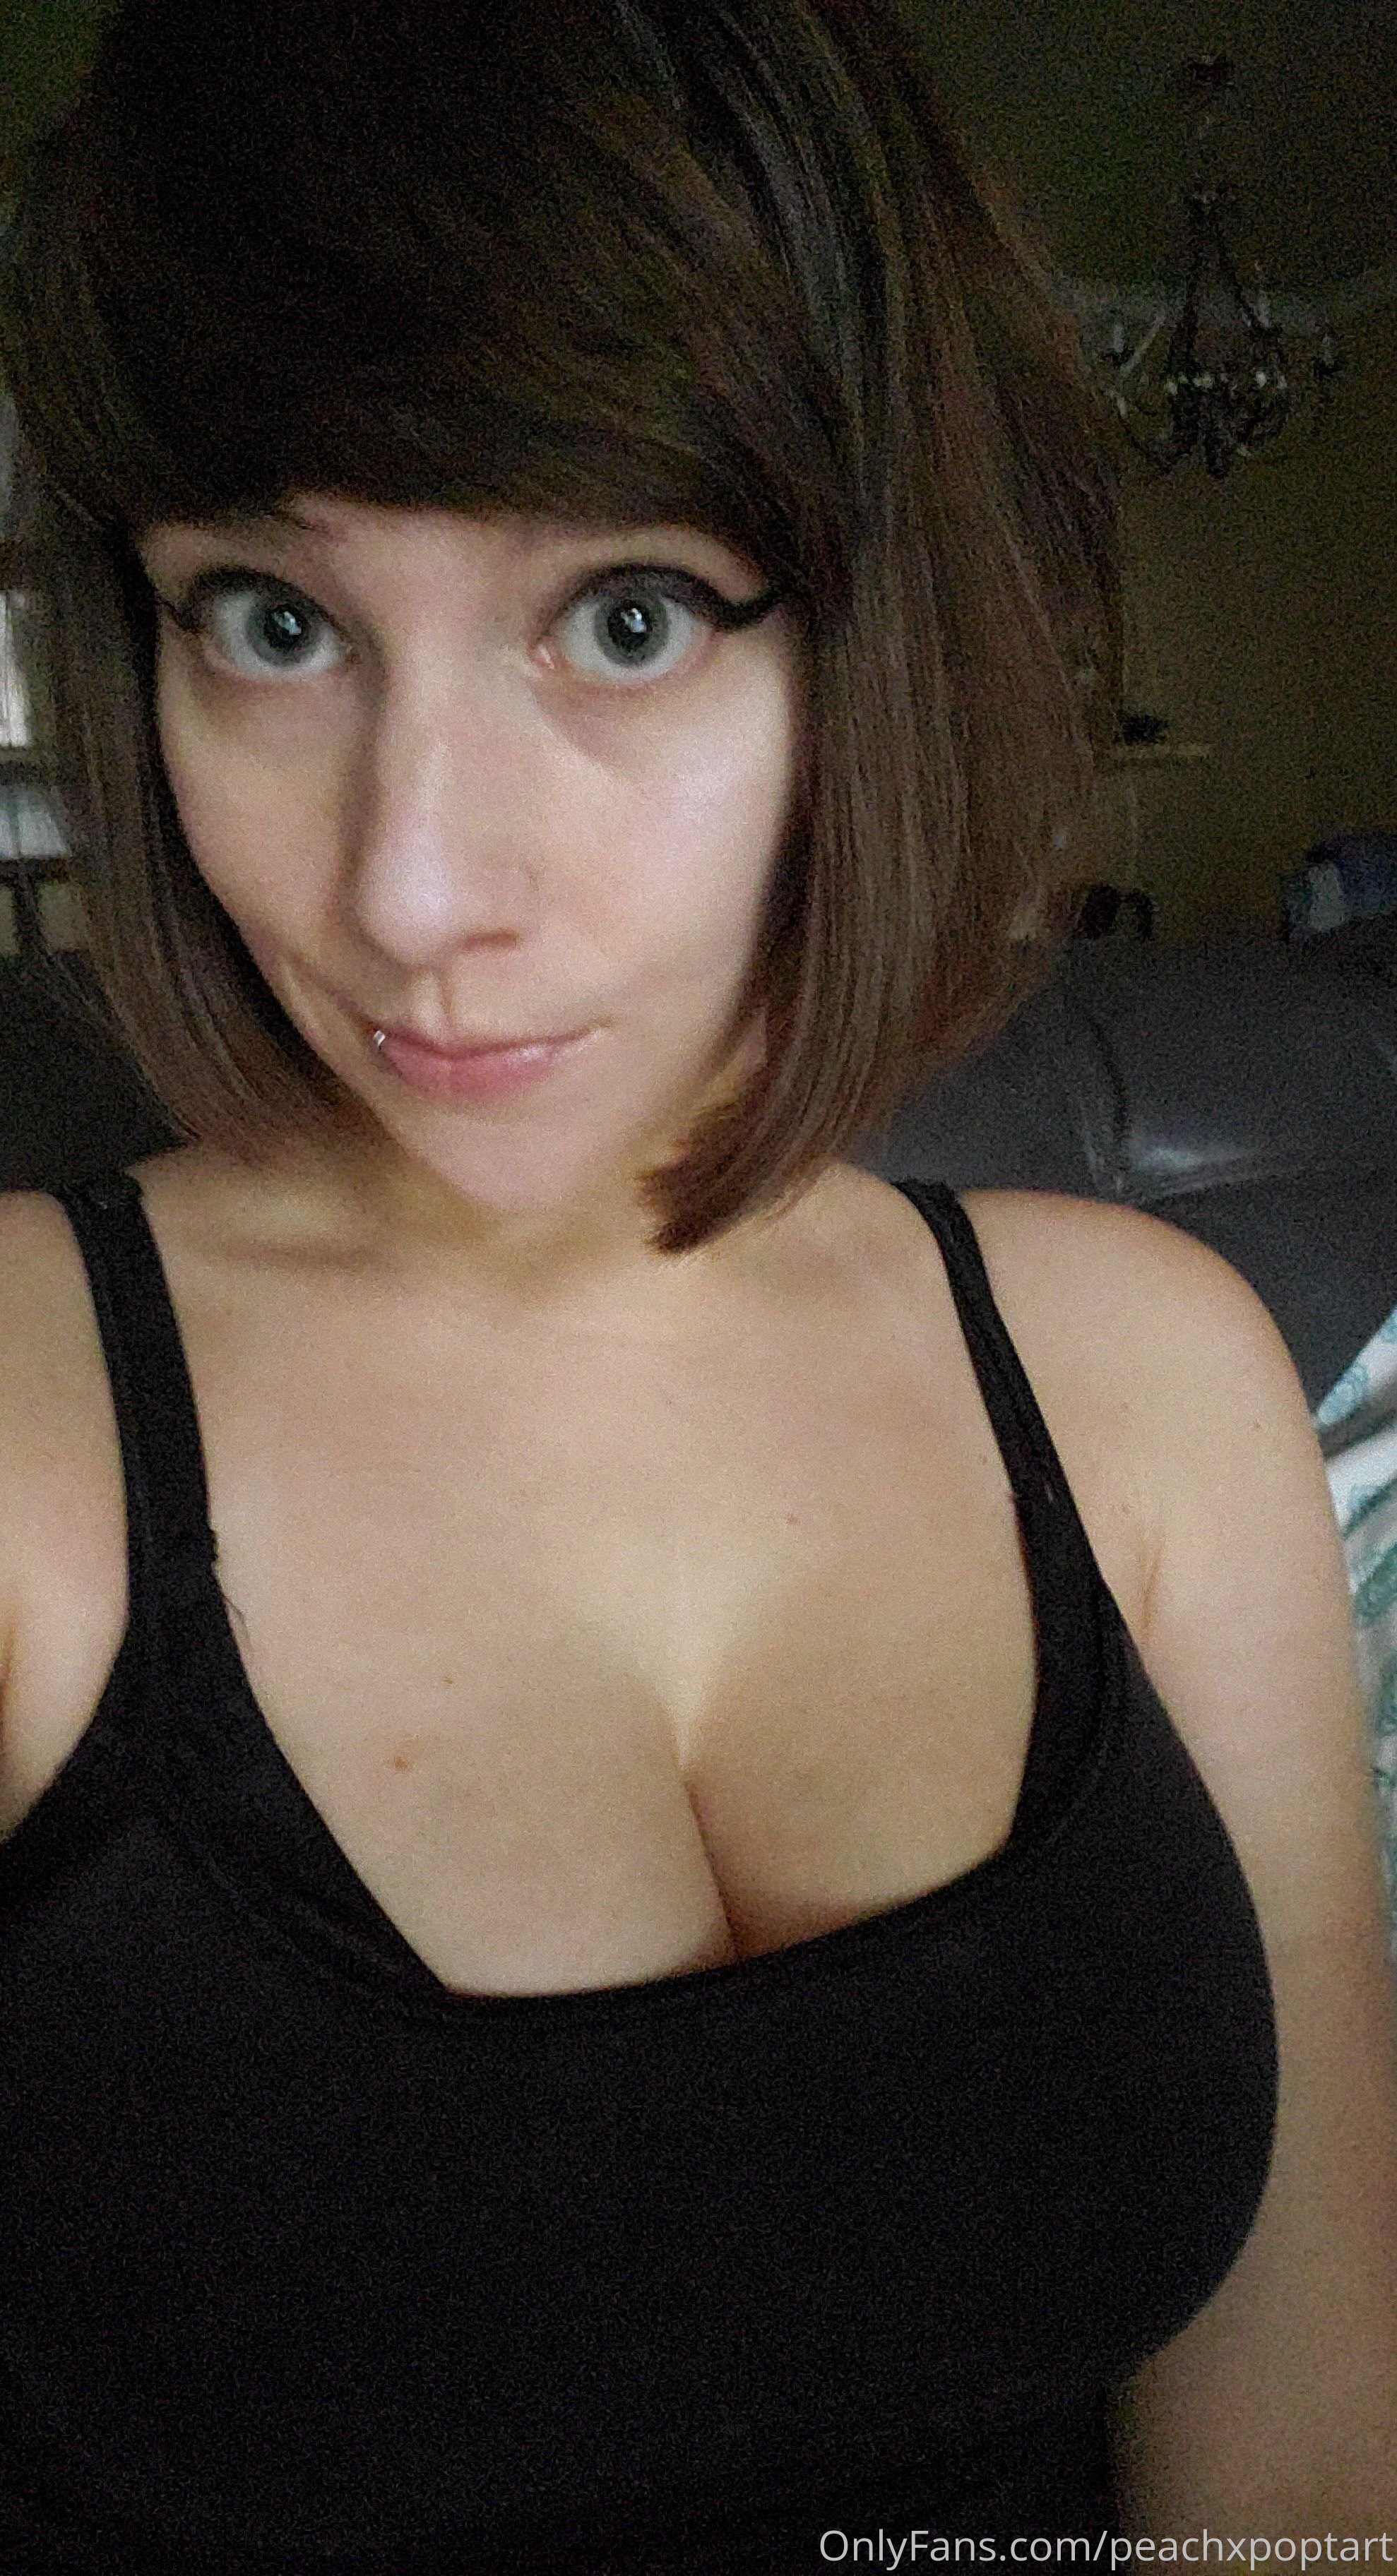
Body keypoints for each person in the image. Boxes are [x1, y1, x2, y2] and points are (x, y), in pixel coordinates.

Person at [0, 1, 1393, 2565]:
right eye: (272, 625)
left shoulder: (1147, 1385)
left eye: (627, 616)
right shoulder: (20, 1420)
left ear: (888, 640)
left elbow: (1297, 2481)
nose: (413, 886)